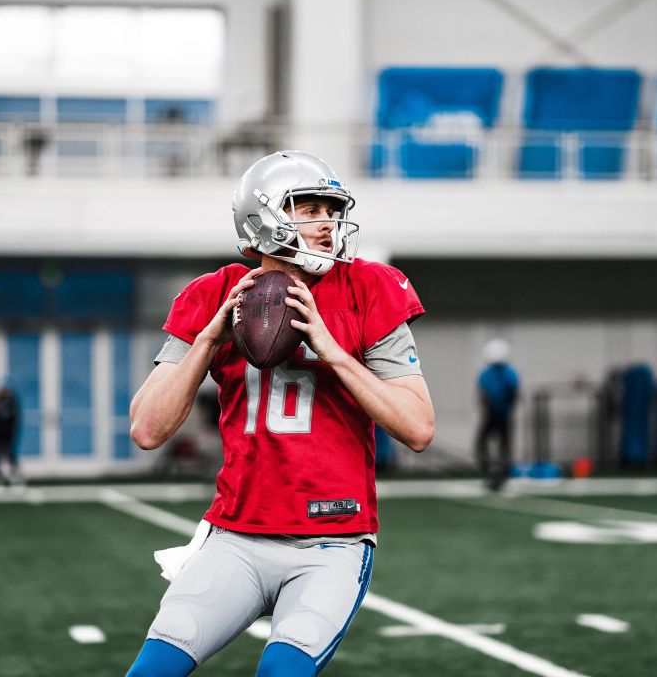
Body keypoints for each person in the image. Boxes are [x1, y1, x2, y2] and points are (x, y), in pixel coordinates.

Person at [124, 151, 434, 677]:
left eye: (329, 210)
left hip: (331, 544)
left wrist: (334, 352)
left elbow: (419, 428)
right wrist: (209, 338)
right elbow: (147, 429)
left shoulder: (369, 288)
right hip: (236, 537)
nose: (326, 224)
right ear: (262, 218)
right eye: (307, 208)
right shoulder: (216, 294)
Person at [475, 339, 519, 491]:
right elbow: (514, 393)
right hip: (498, 415)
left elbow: (483, 394)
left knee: (494, 444)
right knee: (495, 444)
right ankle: (494, 468)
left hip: (498, 415)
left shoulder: (496, 373)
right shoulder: (507, 372)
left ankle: (498, 470)